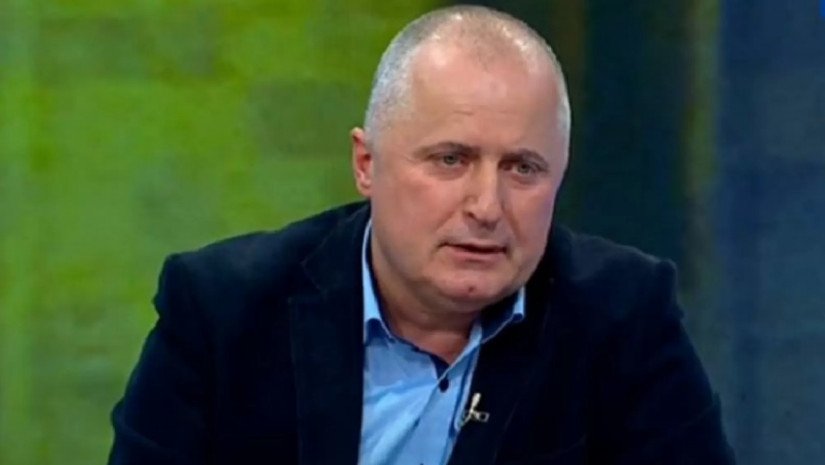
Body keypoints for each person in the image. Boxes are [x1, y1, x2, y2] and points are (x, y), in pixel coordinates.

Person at [108, 5, 734, 465]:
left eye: (523, 168)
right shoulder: (223, 312)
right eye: (450, 160)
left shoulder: (622, 317)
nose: (487, 207)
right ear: (366, 164)